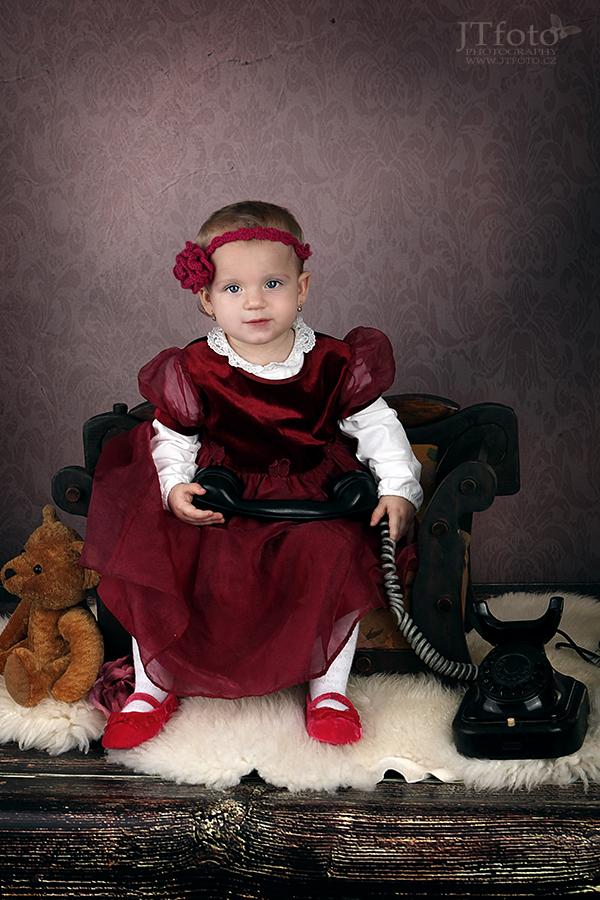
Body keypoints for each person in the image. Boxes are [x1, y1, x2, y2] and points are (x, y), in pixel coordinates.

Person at [80, 200, 423, 751]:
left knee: (333, 551)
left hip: (314, 492)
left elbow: (377, 425)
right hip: (228, 491)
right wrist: (175, 488)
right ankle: (152, 687)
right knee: (173, 549)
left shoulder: (334, 362)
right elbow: (173, 439)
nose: (255, 301)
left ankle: (329, 691)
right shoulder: (196, 368)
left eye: (272, 284)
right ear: (207, 299)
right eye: (233, 288)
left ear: (302, 288)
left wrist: (397, 487)